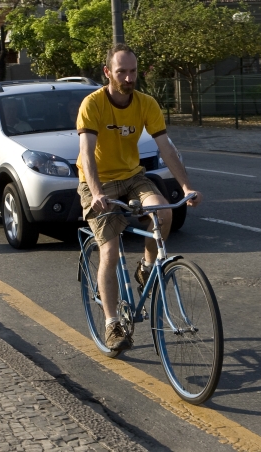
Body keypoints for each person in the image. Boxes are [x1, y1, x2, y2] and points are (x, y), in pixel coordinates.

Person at [76, 43, 201, 352]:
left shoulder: (146, 103)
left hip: (132, 177)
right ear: (107, 72)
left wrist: (186, 187)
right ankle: (112, 325)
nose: (129, 78)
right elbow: (86, 153)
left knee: (164, 212)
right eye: (122, 72)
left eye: (133, 71)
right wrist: (97, 192)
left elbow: (166, 148)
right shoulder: (92, 104)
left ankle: (146, 267)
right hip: (98, 182)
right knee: (110, 251)